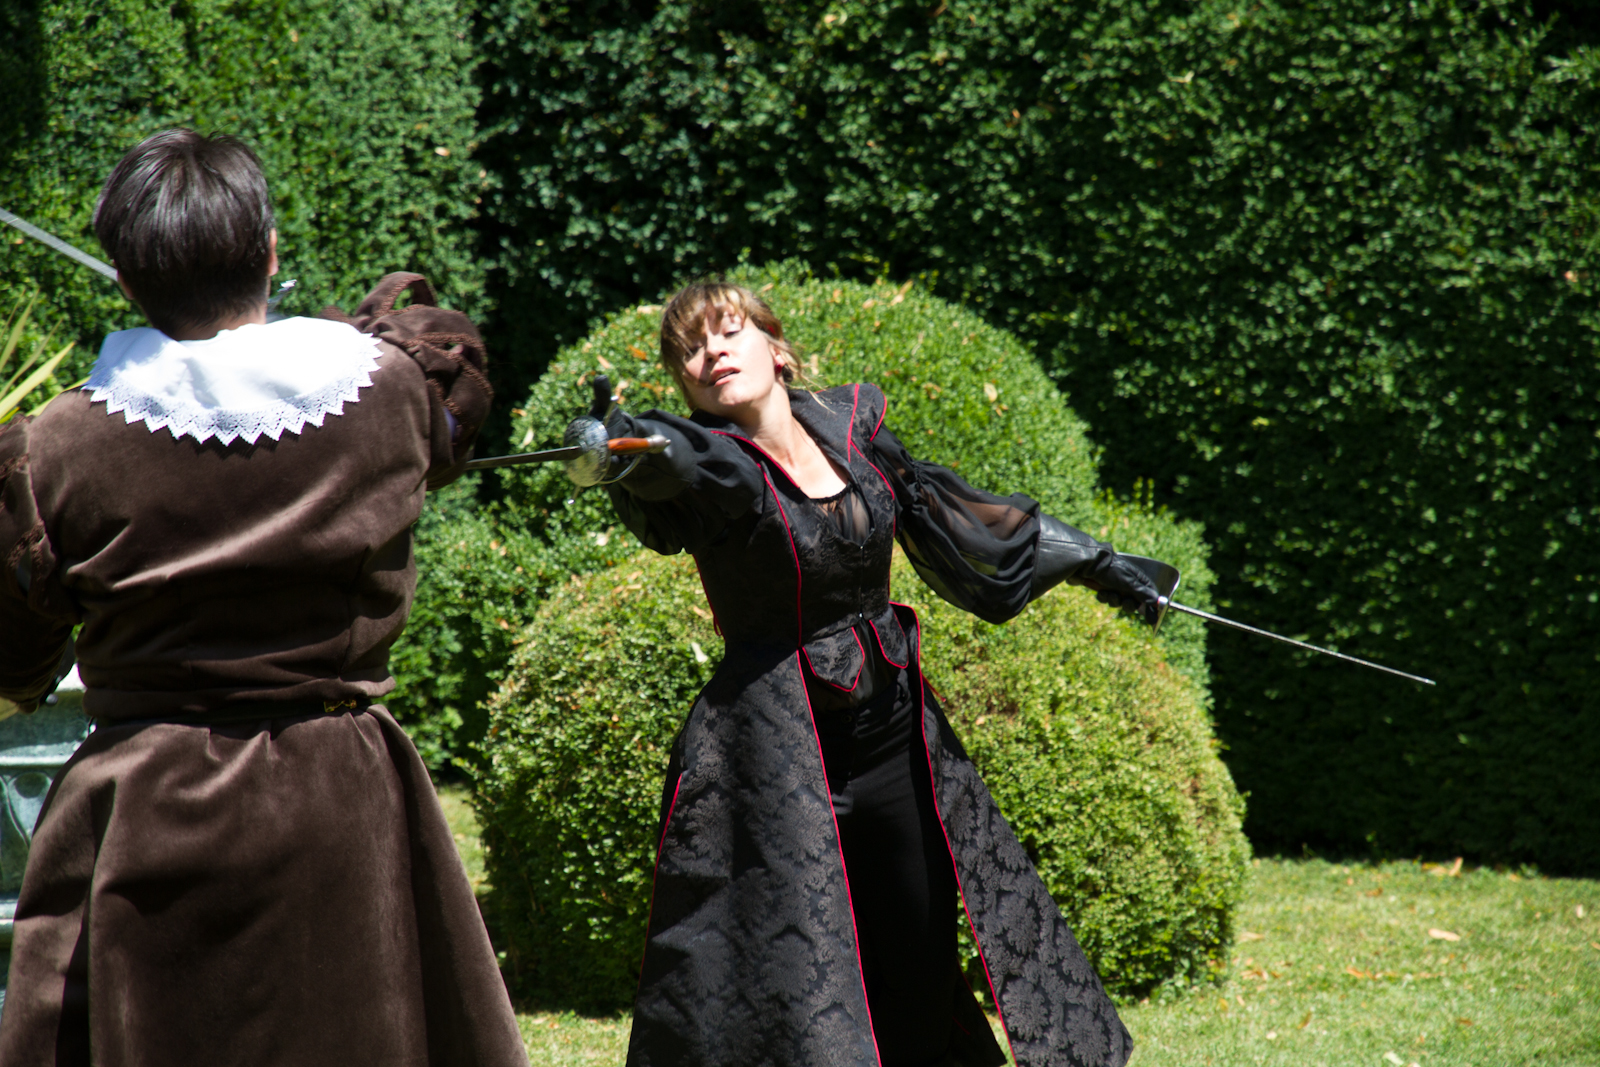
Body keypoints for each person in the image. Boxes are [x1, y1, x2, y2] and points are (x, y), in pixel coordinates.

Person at [0, 130, 527, 1066]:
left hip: (145, 811)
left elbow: (13, 664)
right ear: (271, 252)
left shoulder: (54, 448)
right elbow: (454, 374)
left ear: (125, 281)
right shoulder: (387, 396)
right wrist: (337, 339)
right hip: (341, 800)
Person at [587, 281, 1163, 1067]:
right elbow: (675, 462)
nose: (711, 352)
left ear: (776, 348)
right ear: (686, 385)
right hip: (773, 762)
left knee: (918, 962)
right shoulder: (716, 464)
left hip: (893, 739)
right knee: (797, 992)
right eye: (690, 349)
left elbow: (958, 518)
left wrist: (1097, 560)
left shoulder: (852, 435)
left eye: (728, 331)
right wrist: (626, 444)